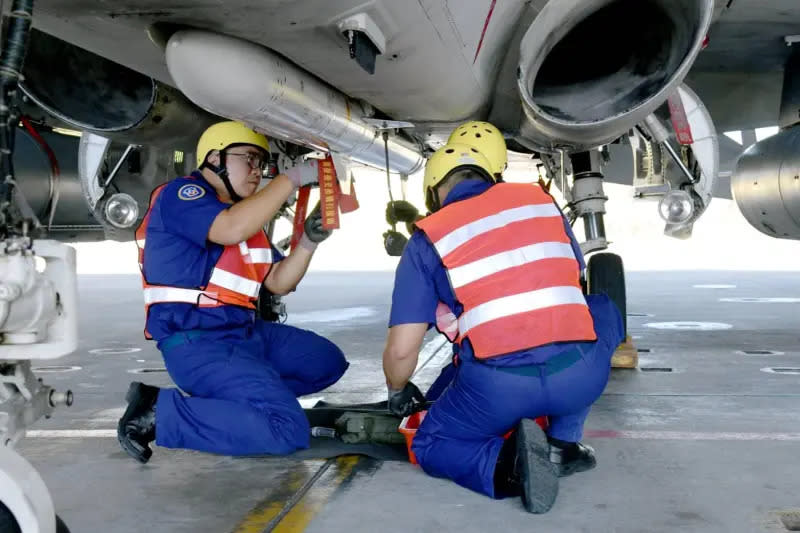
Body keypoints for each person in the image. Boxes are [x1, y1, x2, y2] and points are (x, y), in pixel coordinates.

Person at [382, 139, 624, 513]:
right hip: (580, 377)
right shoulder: (540, 202)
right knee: (602, 309)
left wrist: (398, 390)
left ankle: (510, 465)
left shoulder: (427, 237)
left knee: (432, 443)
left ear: (434, 191)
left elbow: (402, 349)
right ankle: (564, 442)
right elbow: (572, 278)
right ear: (491, 176)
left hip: (499, 390)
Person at [117, 121, 349, 464]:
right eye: (249, 159)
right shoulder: (183, 195)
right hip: (199, 343)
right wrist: (292, 178)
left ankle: (244, 402)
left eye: (262, 163)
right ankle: (158, 413)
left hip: (245, 335)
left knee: (326, 362)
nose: (258, 171)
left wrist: (308, 242)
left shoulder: (247, 219)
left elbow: (278, 282)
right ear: (214, 158)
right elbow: (229, 229)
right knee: (287, 430)